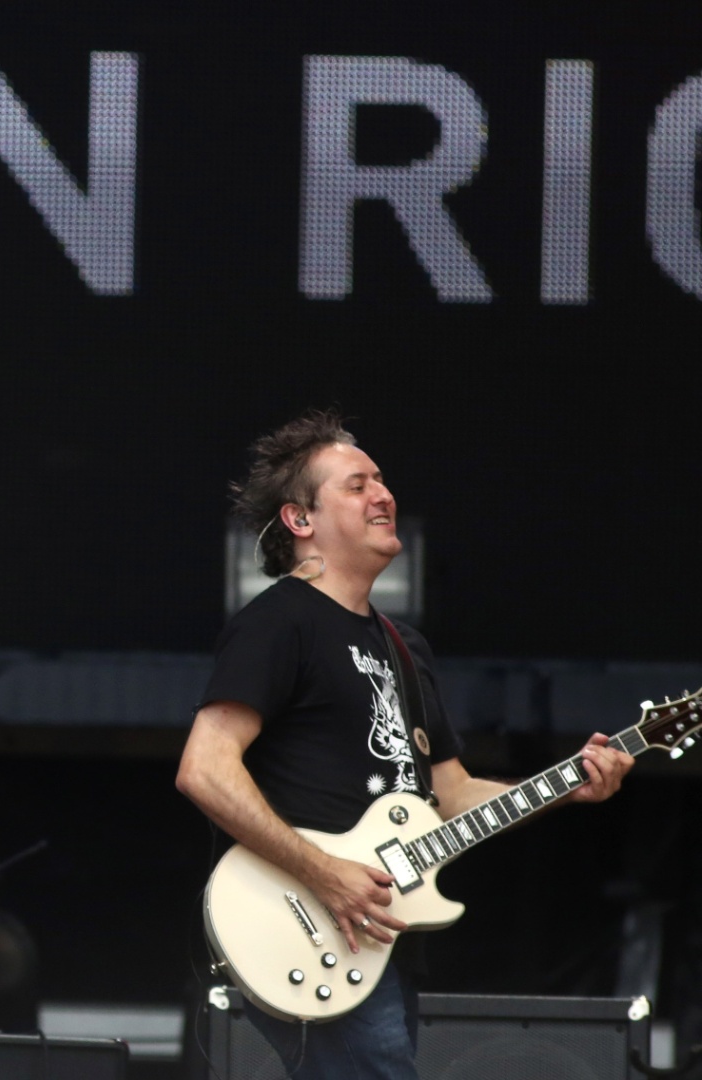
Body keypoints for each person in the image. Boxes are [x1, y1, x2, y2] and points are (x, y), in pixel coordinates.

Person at [175, 409, 633, 1079]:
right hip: (308, 922)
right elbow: (204, 769)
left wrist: (570, 784)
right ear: (300, 520)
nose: (383, 495)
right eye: (357, 485)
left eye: (381, 481)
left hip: (378, 940)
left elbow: (453, 795)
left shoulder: (402, 646)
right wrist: (323, 873)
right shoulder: (280, 621)